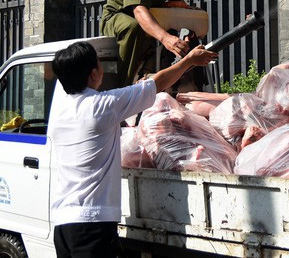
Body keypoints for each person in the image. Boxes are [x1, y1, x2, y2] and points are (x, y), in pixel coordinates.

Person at [47, 41, 217, 258]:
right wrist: (189, 61)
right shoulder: (101, 107)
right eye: (100, 64)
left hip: (63, 224)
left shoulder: (59, 114)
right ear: (92, 74)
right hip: (91, 223)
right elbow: (158, 83)